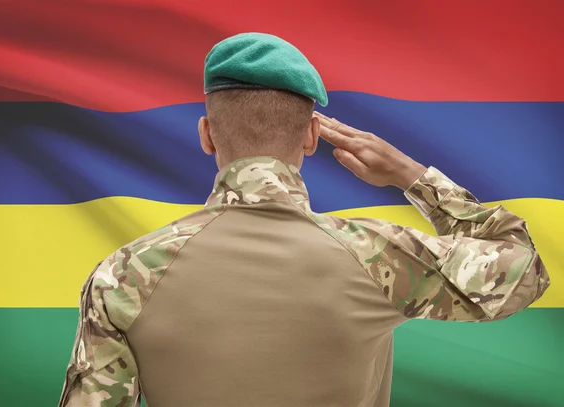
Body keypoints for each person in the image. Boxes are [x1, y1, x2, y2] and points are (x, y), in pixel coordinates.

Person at [58, 33, 550, 407]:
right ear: (313, 135)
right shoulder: (379, 256)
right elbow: (523, 269)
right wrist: (412, 175)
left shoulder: (123, 274)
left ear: (207, 135)